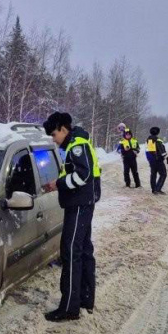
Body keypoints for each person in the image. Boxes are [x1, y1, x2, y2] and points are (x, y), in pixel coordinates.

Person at [42, 112, 100, 322]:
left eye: (54, 133)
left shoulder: (77, 145)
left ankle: (69, 308)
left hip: (78, 205)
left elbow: (82, 175)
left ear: (63, 129)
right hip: (83, 203)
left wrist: (58, 184)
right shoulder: (78, 143)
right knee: (84, 251)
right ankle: (85, 298)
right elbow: (77, 173)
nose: (53, 138)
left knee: (71, 253)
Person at [146, 126, 168, 194]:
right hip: (158, 160)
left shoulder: (148, 140)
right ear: (157, 132)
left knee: (153, 174)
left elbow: (147, 151)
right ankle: (158, 189)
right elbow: (162, 151)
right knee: (163, 174)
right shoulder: (157, 140)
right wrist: (167, 158)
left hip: (151, 160)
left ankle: (153, 189)